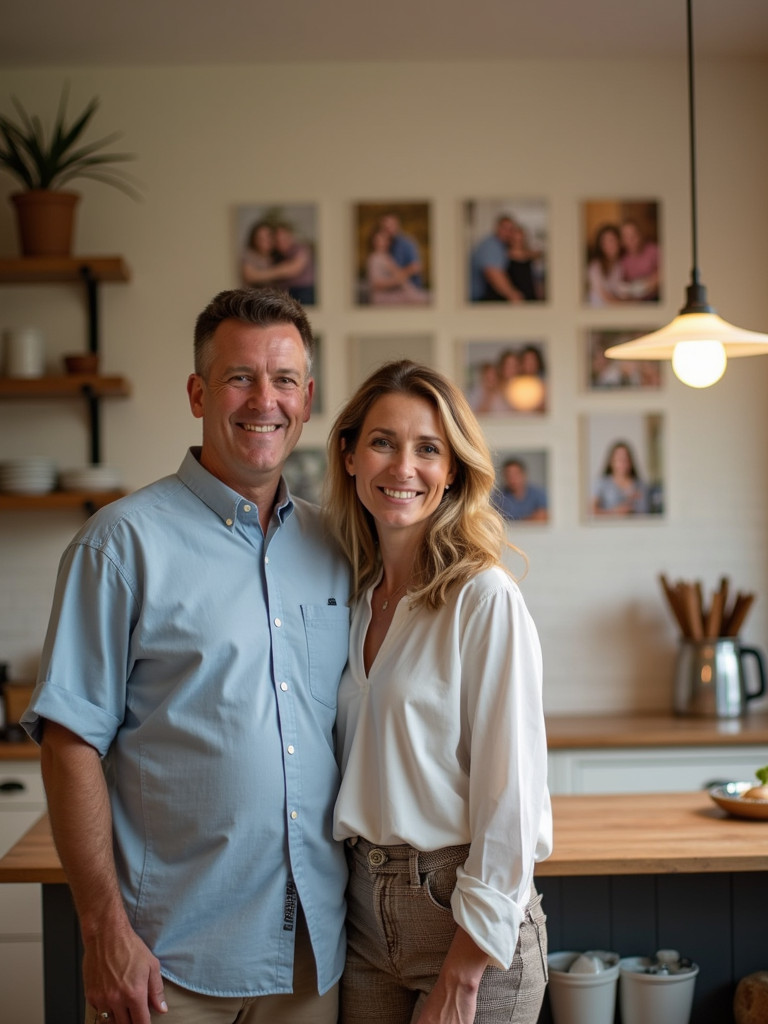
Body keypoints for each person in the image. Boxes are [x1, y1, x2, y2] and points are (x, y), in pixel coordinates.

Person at [21, 288, 351, 1024]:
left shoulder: (337, 548)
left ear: (308, 398)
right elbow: (69, 744)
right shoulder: (121, 544)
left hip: (311, 962)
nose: (264, 399)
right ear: (199, 392)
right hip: (167, 965)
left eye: (285, 380)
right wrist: (104, 929)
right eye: (240, 377)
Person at [326, 360, 552, 1024]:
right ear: (348, 456)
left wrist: (464, 969)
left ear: (453, 469)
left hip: (467, 921)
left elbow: (511, 800)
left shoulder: (483, 599)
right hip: (365, 924)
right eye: (382, 442)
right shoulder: (354, 598)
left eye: (429, 448)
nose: (404, 467)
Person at [241, 220, 316, 304]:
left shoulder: (295, 250)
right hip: (255, 301)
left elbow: (293, 269)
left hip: (300, 292)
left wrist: (260, 274)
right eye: (259, 238)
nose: (264, 241)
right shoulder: (249, 255)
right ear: (253, 239)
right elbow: (250, 276)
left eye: (268, 237)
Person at [365, 226, 429, 305]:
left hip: (394, 294)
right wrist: (408, 271)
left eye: (386, 240)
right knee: (421, 299)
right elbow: (376, 284)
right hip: (382, 298)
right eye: (381, 240)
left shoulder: (387, 257)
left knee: (423, 297)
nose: (385, 242)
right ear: (374, 241)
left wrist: (411, 290)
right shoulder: (374, 258)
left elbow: (400, 277)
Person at [469, 215, 525, 303]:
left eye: (511, 229)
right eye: (504, 228)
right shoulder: (492, 246)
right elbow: (493, 273)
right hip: (477, 300)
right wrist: (512, 295)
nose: (507, 232)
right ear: (496, 228)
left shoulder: (503, 247)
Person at [592, 439, 650, 516]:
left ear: (631, 462)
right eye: (619, 459)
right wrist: (615, 512)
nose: (623, 463)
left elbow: (647, 513)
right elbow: (592, 510)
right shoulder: (602, 483)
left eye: (626, 459)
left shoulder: (641, 485)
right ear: (611, 462)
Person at [378, 212, 424, 288]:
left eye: (391, 226)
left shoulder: (407, 243)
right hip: (394, 289)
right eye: (385, 227)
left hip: (411, 287)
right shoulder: (385, 246)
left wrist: (397, 278)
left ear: (397, 225)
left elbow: (416, 266)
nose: (388, 230)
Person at [586, 223, 625, 306]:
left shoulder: (620, 264)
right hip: (599, 311)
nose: (609, 245)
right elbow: (605, 296)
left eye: (612, 240)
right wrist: (627, 305)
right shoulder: (595, 267)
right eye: (605, 242)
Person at [619, 219, 659, 301]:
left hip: (655, 299)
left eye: (634, 235)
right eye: (626, 236)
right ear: (622, 240)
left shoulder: (653, 250)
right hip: (634, 303)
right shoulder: (622, 259)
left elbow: (665, 272)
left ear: (640, 235)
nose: (631, 240)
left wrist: (647, 285)